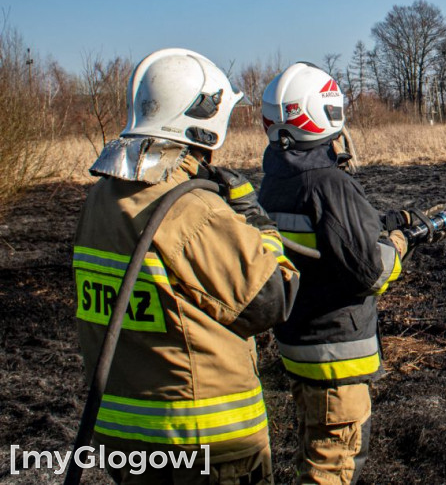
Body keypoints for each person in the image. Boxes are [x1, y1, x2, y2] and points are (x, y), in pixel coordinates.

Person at [73, 48, 300, 484]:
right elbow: (274, 296)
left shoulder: (100, 200)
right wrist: (252, 219)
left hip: (124, 440)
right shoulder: (191, 210)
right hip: (204, 445)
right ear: (205, 119)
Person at [257, 62, 446, 485]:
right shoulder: (328, 182)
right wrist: (402, 242)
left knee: (312, 451)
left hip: (299, 345)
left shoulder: (277, 179)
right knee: (333, 465)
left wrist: (384, 221)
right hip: (335, 358)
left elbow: (323, 237)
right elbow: (372, 269)